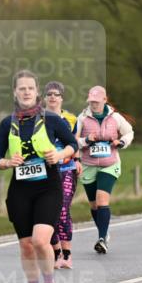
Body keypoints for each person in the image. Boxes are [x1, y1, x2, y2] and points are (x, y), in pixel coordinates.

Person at [0, 70, 77, 283]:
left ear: (37, 92)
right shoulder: (8, 123)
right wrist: (6, 163)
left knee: (40, 240)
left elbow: (73, 144)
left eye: (30, 88)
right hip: (20, 190)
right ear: (15, 93)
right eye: (22, 88)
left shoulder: (52, 119)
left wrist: (59, 155)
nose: (26, 92)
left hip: (48, 187)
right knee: (26, 245)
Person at [75, 85, 134, 254]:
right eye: (91, 102)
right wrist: (86, 140)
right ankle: (104, 230)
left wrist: (121, 142)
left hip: (110, 164)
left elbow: (129, 133)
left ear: (104, 100)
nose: (93, 105)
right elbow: (73, 141)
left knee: (102, 201)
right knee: (94, 205)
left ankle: (102, 239)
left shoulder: (115, 117)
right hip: (88, 165)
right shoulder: (82, 118)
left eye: (96, 101)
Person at [43, 81, 79, 269]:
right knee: (50, 212)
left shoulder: (71, 119)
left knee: (63, 209)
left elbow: (74, 143)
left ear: (62, 98)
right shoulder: (38, 119)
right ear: (44, 98)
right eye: (49, 94)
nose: (52, 97)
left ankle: (67, 254)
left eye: (56, 94)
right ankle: (56, 252)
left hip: (67, 169)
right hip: (46, 172)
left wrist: (78, 160)